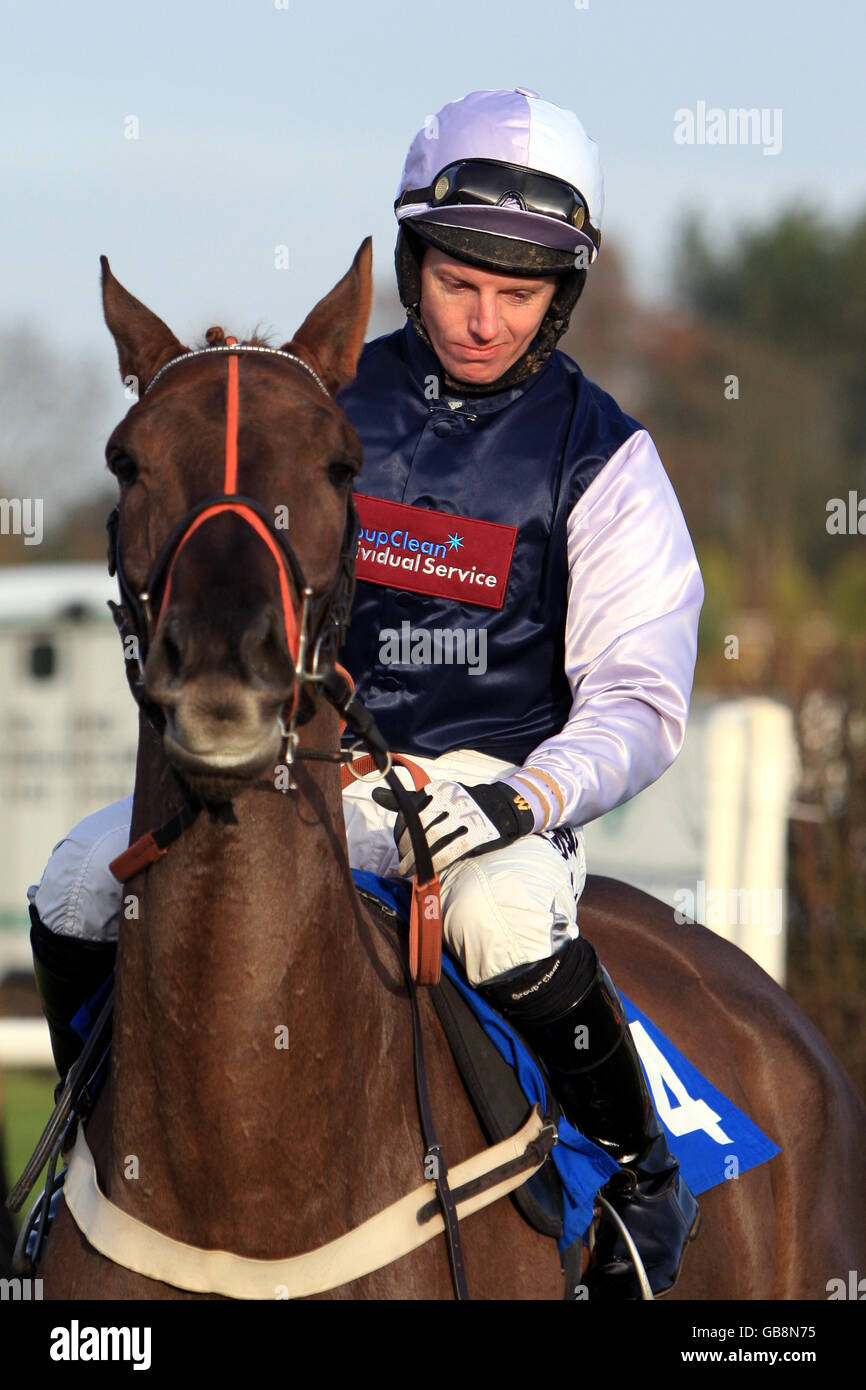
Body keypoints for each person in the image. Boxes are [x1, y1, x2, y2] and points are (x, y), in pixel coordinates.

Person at [27, 88, 704, 1299]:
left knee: (498, 920)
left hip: (482, 796)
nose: (483, 318)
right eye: (456, 282)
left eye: (519, 292)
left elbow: (642, 695)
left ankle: (638, 1168)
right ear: (408, 263)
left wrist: (533, 796)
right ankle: (95, 1132)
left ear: (563, 296)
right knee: (80, 884)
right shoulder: (315, 409)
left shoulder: (602, 456)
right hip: (304, 779)